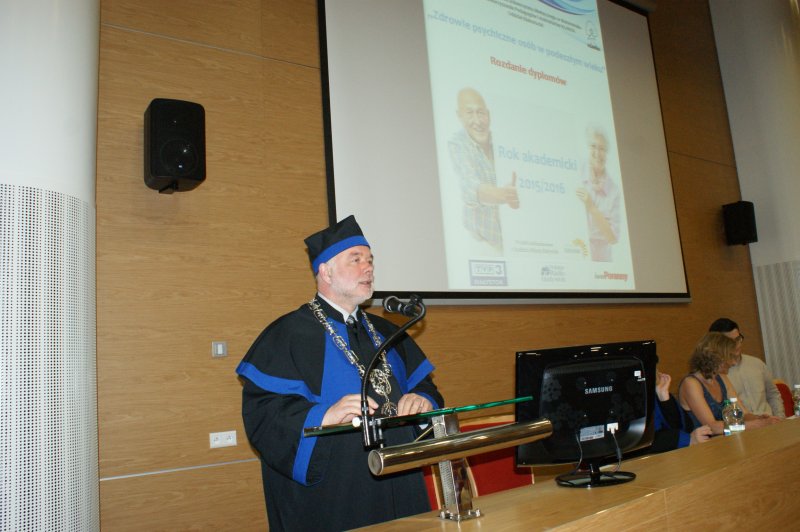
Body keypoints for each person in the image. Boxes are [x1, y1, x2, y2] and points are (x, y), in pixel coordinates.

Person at [236, 215, 444, 531]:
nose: (368, 268)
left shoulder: (387, 331)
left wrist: (423, 401)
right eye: (356, 259)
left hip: (398, 478)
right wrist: (323, 416)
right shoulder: (288, 335)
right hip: (336, 492)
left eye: (370, 260)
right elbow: (264, 415)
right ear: (326, 271)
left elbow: (427, 387)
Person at [448, 88, 519, 252]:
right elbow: (470, 188)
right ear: (459, 116)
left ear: (488, 115)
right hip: (480, 245)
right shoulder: (457, 144)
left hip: (511, 245)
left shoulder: (502, 142)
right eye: (469, 113)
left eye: (480, 113)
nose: (477, 121)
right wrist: (504, 195)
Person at [678, 332, 779, 435]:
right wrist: (757, 424)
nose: (733, 363)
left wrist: (760, 419)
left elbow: (743, 414)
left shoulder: (721, 377)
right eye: (730, 357)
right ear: (716, 358)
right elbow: (713, 427)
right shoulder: (691, 384)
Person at [708, 317, 785, 417]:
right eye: (730, 342)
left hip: (770, 421)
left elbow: (773, 395)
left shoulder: (757, 363)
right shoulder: (716, 374)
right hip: (742, 424)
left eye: (738, 339)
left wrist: (780, 418)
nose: (737, 344)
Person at [574, 125, 621, 262]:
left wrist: (592, 208)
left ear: (607, 153)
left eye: (602, 149)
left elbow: (613, 238)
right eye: (593, 146)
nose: (597, 152)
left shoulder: (613, 190)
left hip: (601, 260)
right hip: (574, 250)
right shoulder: (576, 172)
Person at [651, 371, 712, 452]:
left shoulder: (658, 391)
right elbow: (644, 440)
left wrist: (665, 399)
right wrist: (687, 439)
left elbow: (685, 427)